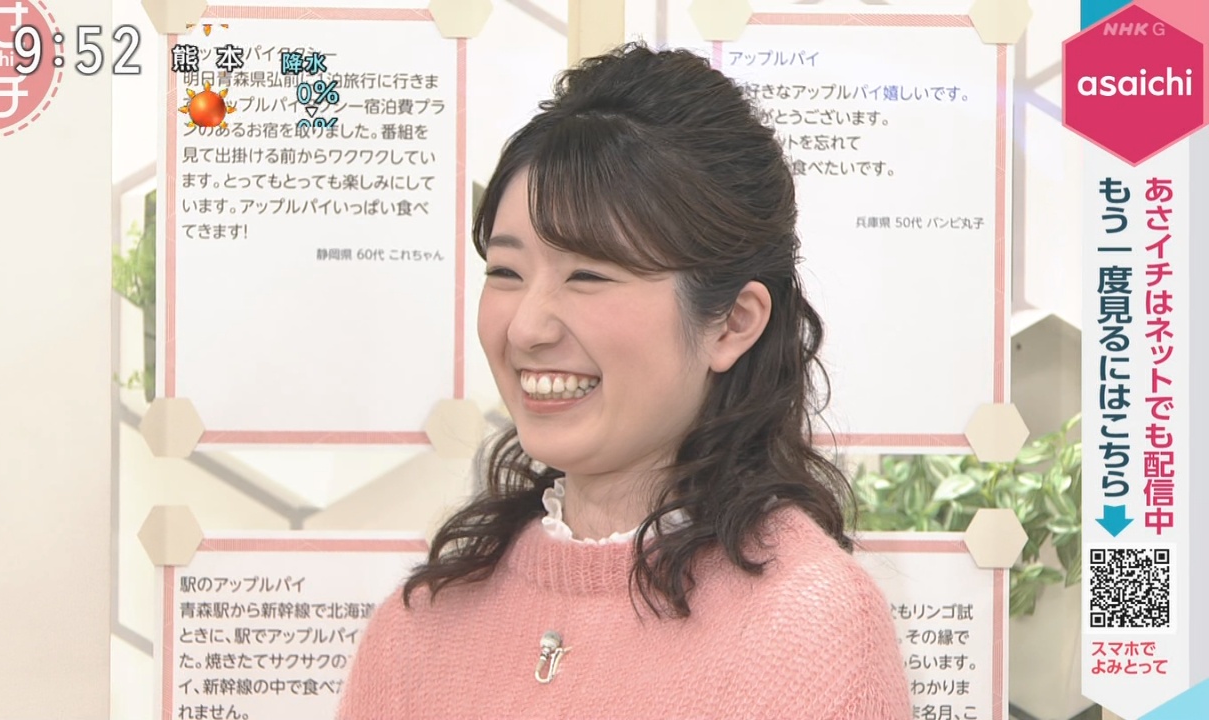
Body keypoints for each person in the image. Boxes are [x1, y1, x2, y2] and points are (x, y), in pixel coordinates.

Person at [335, 43, 911, 719]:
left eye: (588, 275)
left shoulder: (809, 627)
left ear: (732, 323)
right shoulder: (421, 625)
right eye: (506, 272)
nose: (526, 327)